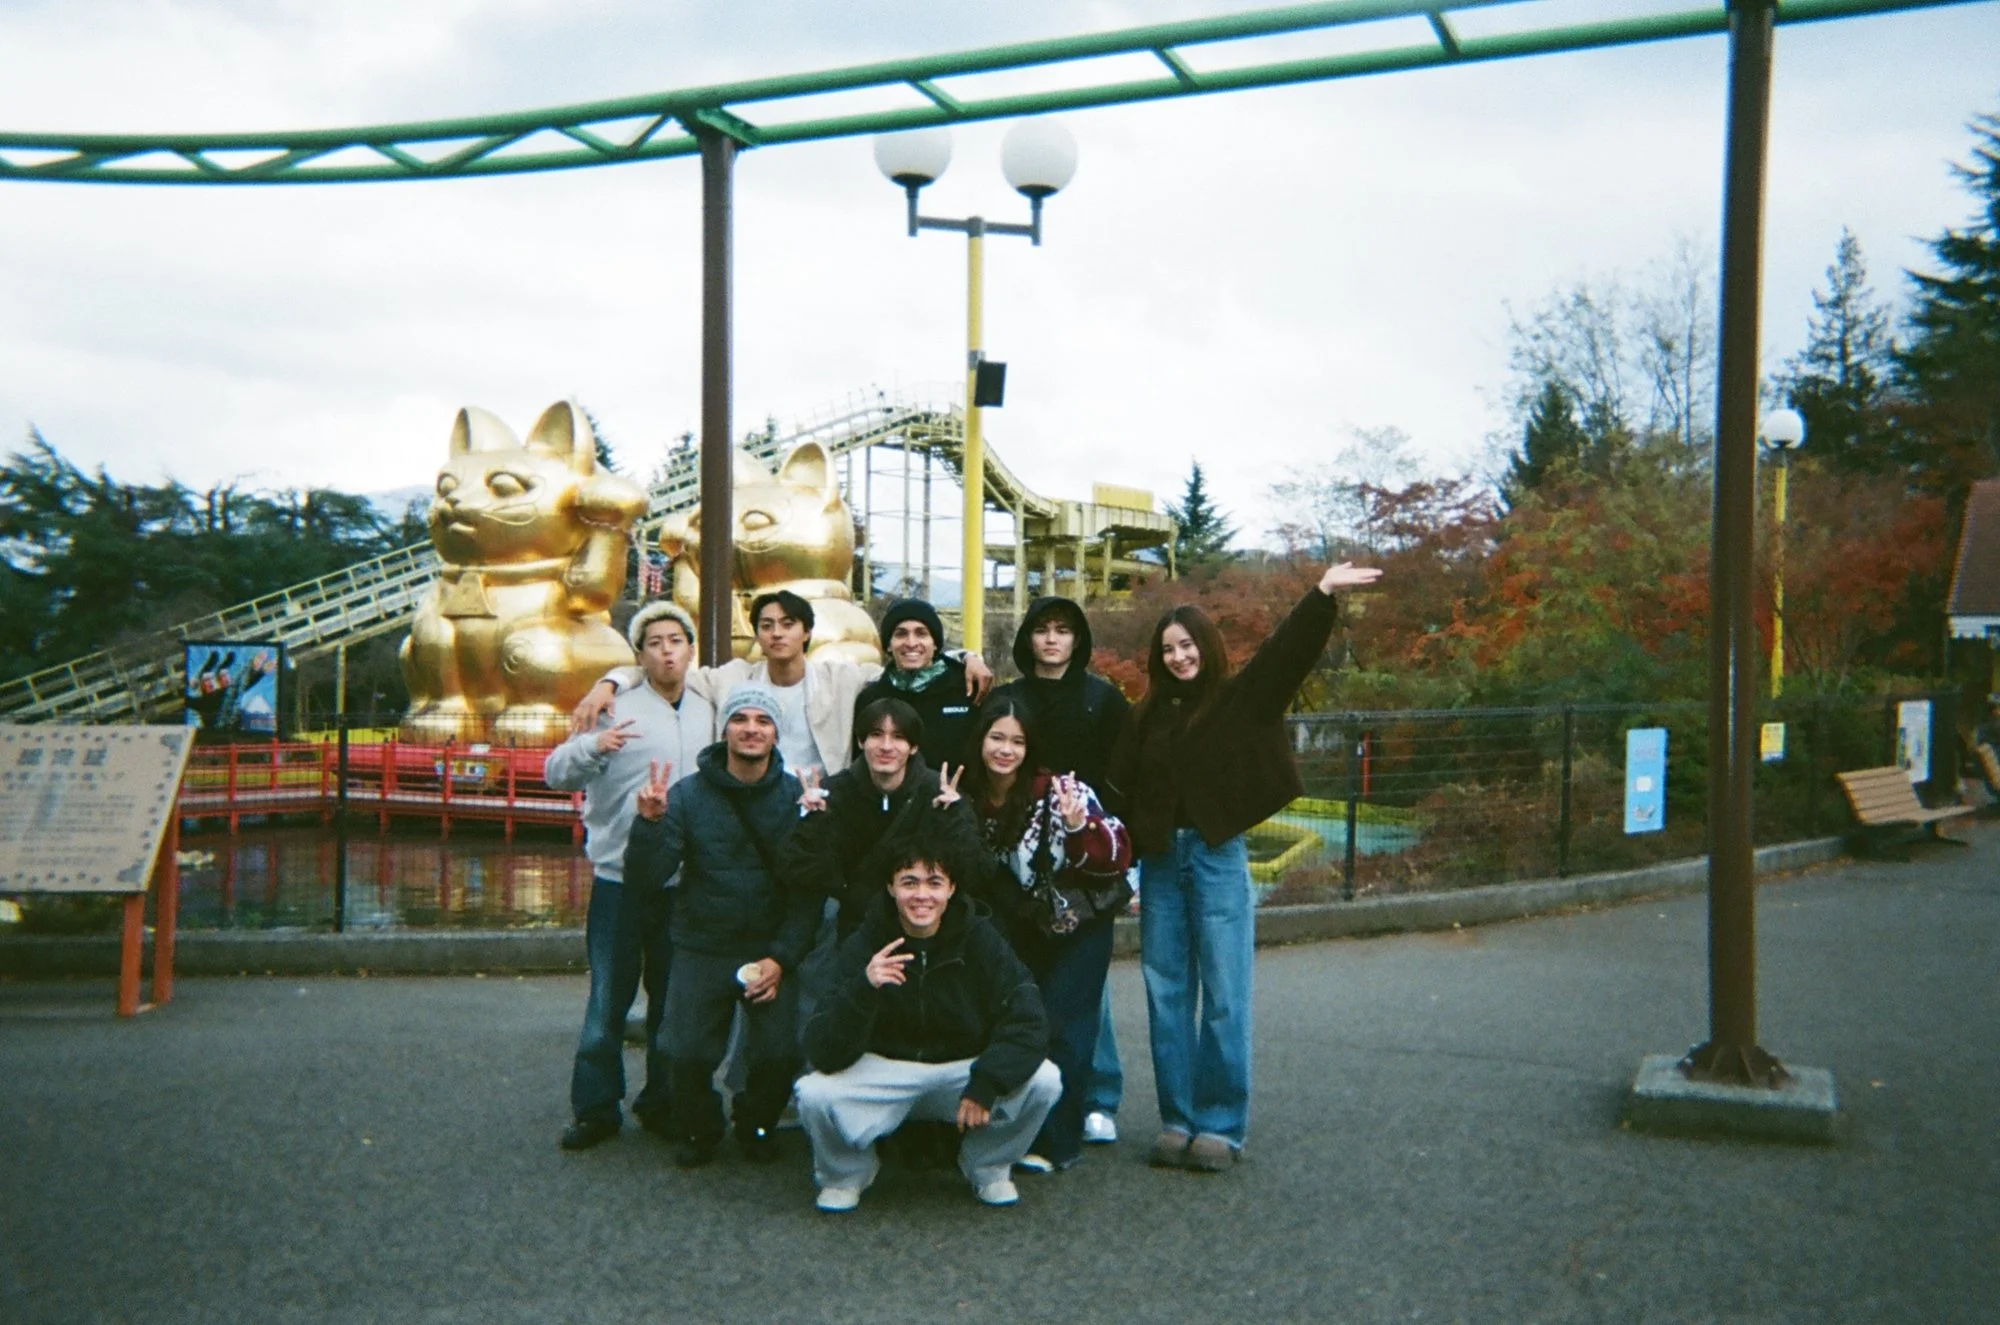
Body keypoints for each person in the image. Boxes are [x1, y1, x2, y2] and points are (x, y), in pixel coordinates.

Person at [1108, 561, 1382, 1173]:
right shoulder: (1145, 715)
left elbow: (1284, 659)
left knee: (1226, 993)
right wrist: (1124, 866)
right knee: (1166, 991)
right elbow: (1120, 792)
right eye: (1169, 649)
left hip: (1215, 856)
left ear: (1206, 647)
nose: (1179, 657)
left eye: (1188, 646)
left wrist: (1323, 595)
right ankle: (1177, 1119)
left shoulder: (1237, 702)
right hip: (1158, 865)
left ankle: (1221, 1125)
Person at [795, 826, 1062, 1212]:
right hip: (886, 1072)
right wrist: (864, 988)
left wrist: (987, 1081)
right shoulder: (865, 941)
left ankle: (986, 1166)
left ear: (951, 889)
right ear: (890, 888)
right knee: (814, 1093)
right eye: (909, 882)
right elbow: (822, 1050)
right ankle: (847, 1173)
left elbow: (1028, 1018)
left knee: (1045, 1080)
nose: (922, 895)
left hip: (962, 1072)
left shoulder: (980, 938)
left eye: (934, 882)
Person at [622, 686, 817, 1168]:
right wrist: (648, 826)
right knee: (684, 1050)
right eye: (740, 719)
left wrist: (781, 958)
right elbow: (647, 879)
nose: (751, 728)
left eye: (763, 721)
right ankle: (699, 1128)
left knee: (778, 1052)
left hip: (768, 946)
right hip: (704, 941)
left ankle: (756, 1122)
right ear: (724, 729)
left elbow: (807, 893)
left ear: (775, 733)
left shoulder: (797, 797)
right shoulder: (686, 795)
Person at [543, 602, 714, 1151]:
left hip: (684, 883)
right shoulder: (613, 706)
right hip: (619, 881)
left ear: (691, 649)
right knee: (607, 1001)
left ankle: (660, 1101)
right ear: (640, 655)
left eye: (677, 640)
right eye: (655, 642)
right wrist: (596, 745)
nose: (667, 650)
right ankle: (595, 1107)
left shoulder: (710, 704)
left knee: (671, 1001)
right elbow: (554, 772)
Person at [961, 696, 1132, 1172]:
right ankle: (1017, 1130)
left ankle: (1058, 1139)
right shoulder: (968, 793)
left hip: (1079, 923)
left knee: (1067, 1025)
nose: (1006, 750)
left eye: (1017, 741)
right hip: (1022, 923)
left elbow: (1115, 852)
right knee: (1020, 1019)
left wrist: (1078, 826)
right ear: (980, 740)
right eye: (997, 737)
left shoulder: (1060, 791)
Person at [574, 589, 991, 777]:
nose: (777, 634)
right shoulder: (732, 678)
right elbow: (667, 668)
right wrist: (610, 681)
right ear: (757, 633)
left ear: (806, 633)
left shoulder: (840, 677)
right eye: (767, 625)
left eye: (788, 625)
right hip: (756, 803)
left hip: (821, 804)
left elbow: (906, 663)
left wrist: (963, 656)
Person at [991, 594, 1132, 1146]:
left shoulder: (1103, 699)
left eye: (1063, 630)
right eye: (1042, 629)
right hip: (1020, 849)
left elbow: (1122, 778)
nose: (1052, 640)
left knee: (1084, 988)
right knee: (1037, 985)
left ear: (1077, 640)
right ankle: (1035, 1100)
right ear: (1028, 637)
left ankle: (1098, 1096)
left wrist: (1121, 857)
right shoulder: (1009, 697)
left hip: (1086, 847)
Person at [780, 696, 983, 940]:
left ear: (914, 747)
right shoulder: (832, 792)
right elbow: (806, 876)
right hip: (854, 930)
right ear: (861, 740)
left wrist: (955, 817)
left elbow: (974, 873)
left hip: (925, 925)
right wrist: (813, 821)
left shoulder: (939, 793)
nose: (886, 746)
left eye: (898, 737)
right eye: (876, 734)